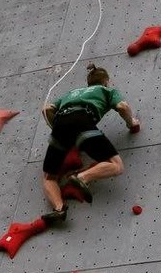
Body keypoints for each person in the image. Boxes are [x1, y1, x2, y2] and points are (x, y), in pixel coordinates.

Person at [41, 63, 139, 222]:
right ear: (106, 81)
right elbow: (122, 106)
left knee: (49, 177)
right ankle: (82, 177)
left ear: (88, 83)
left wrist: (59, 129)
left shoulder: (72, 93)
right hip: (83, 121)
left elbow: (46, 109)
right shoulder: (106, 90)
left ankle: (59, 209)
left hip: (60, 126)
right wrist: (131, 123)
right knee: (117, 165)